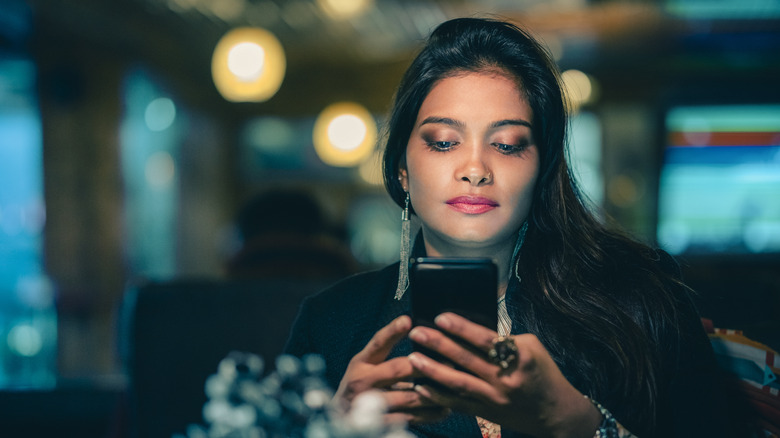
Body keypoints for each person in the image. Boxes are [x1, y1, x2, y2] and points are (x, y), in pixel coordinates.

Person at [285, 17, 735, 437]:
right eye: (444, 142)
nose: (475, 168)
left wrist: (580, 423)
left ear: (541, 169)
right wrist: (332, 427)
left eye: (507, 144)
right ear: (403, 167)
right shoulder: (331, 323)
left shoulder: (641, 296)